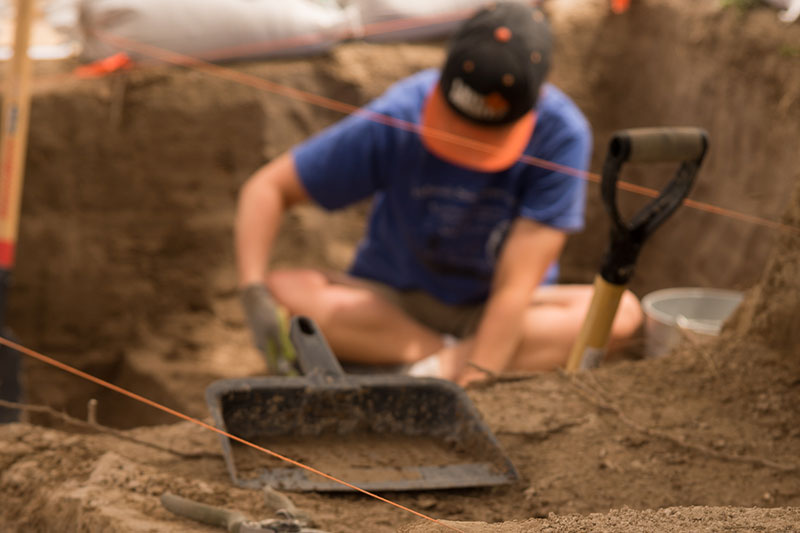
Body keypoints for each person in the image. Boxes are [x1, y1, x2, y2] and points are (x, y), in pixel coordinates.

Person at [235, 2, 643, 386]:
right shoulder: (400, 113)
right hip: (393, 304)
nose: (469, 147)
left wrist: (473, 383)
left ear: (535, 100)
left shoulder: (561, 135)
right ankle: (436, 361)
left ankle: (425, 371)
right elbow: (267, 188)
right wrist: (252, 291)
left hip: (494, 309)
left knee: (620, 316)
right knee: (284, 294)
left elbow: (514, 289)